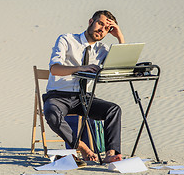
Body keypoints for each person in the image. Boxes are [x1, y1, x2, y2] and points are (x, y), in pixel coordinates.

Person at [43, 10, 125, 163]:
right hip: (59, 95)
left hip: (84, 98)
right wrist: (79, 68)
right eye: (100, 23)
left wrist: (120, 36)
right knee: (51, 113)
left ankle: (110, 154)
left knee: (113, 110)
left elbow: (121, 65)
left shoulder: (103, 49)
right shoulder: (66, 39)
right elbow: (54, 68)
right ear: (90, 22)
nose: (101, 30)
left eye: (107, 28)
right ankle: (82, 147)